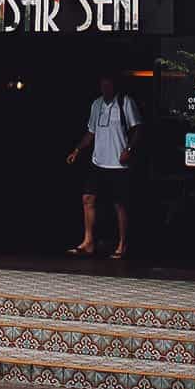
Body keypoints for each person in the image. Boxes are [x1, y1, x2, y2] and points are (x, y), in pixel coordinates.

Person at [65, 72, 142, 260]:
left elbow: (138, 129)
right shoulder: (96, 104)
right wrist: (77, 150)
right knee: (87, 198)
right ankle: (88, 242)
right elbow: (91, 132)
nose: (105, 89)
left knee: (119, 205)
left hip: (118, 164)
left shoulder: (125, 102)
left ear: (114, 86)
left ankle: (122, 245)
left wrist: (129, 149)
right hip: (98, 161)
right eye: (102, 85)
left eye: (108, 85)